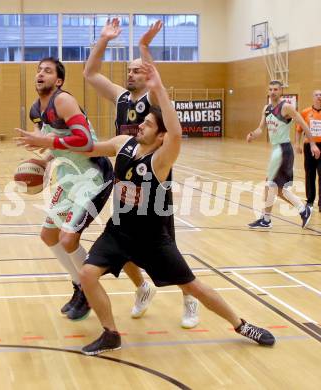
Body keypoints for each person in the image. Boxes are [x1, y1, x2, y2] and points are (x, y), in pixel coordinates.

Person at [75, 62, 276, 355]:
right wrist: (47, 143)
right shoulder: (124, 144)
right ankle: (111, 334)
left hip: (152, 241)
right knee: (87, 275)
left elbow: (177, 133)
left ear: (160, 136)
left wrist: (158, 89)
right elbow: (90, 149)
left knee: (193, 286)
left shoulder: (160, 160)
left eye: (147, 124)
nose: (140, 125)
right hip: (117, 232)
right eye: (141, 122)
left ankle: (241, 324)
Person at [83, 18, 199, 328]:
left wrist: (145, 52)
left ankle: (190, 298)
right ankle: (143, 288)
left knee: (166, 245)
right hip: (127, 176)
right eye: (130, 70)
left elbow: (156, 85)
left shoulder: (153, 101)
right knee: (121, 238)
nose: (132, 73)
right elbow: (90, 73)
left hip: (154, 179)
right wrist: (104, 39)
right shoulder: (122, 98)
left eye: (138, 69)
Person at [16, 57, 114, 321]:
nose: (40, 74)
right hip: (69, 176)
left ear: (58, 81)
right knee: (49, 236)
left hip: (93, 175)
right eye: (38, 70)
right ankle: (79, 286)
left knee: (68, 239)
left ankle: (90, 293)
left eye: (47, 71)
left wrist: (45, 140)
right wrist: (43, 162)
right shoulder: (37, 110)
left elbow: (83, 139)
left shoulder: (64, 100)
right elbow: (54, 144)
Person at [247, 80, 321, 229]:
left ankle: (302, 209)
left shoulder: (286, 107)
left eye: (275, 89)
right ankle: (266, 220)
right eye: (270, 89)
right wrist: (252, 135)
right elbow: (261, 128)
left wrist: (312, 143)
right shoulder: (266, 108)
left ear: (281, 91)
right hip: (275, 150)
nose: (273, 92)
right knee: (270, 186)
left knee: (275, 188)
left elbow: (304, 125)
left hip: (284, 150)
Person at [295, 90, 321, 212]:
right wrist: (297, 144)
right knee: (310, 173)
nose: (319, 97)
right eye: (316, 95)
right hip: (309, 146)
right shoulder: (306, 112)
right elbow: (298, 130)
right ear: (313, 97)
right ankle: (310, 201)